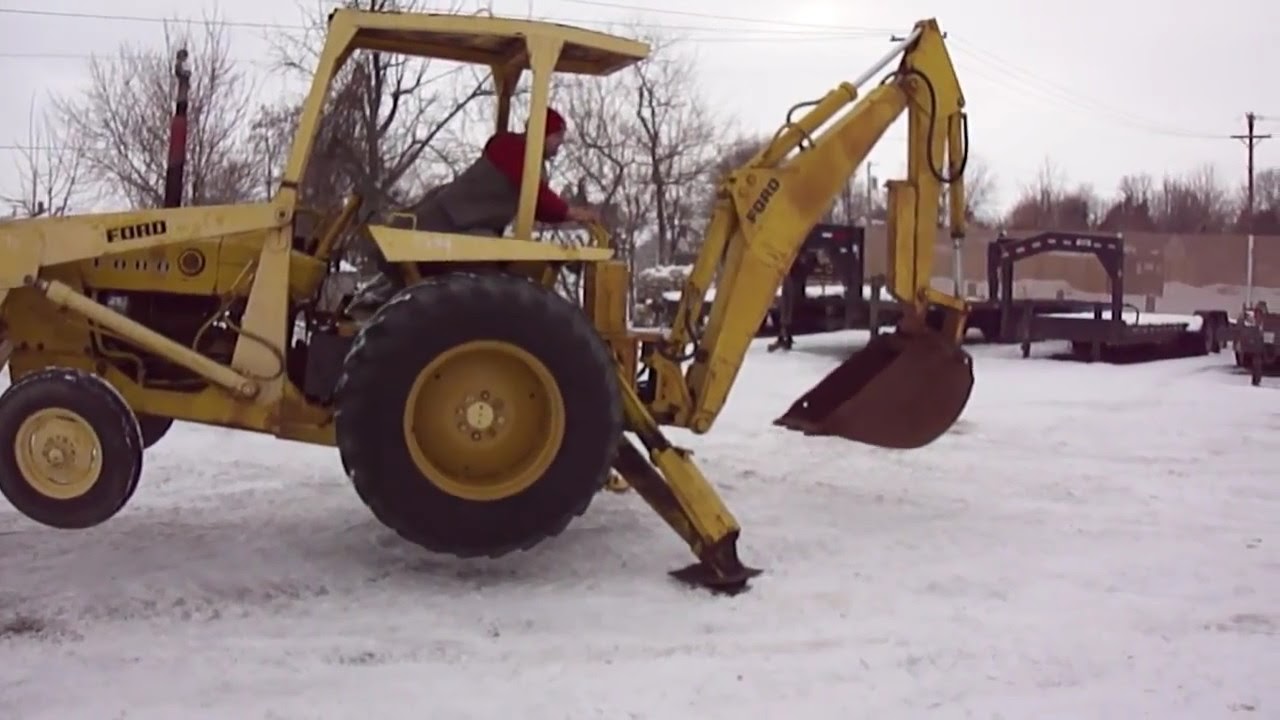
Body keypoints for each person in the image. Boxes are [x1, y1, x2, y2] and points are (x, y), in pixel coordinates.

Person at [350, 106, 598, 314]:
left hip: (465, 223)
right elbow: (541, 198)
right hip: (451, 222)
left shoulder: (523, 158)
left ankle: (384, 300)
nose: (559, 145)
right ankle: (381, 301)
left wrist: (568, 213)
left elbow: (536, 205)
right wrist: (574, 213)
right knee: (484, 278)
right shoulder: (515, 151)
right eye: (557, 138)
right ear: (544, 133)